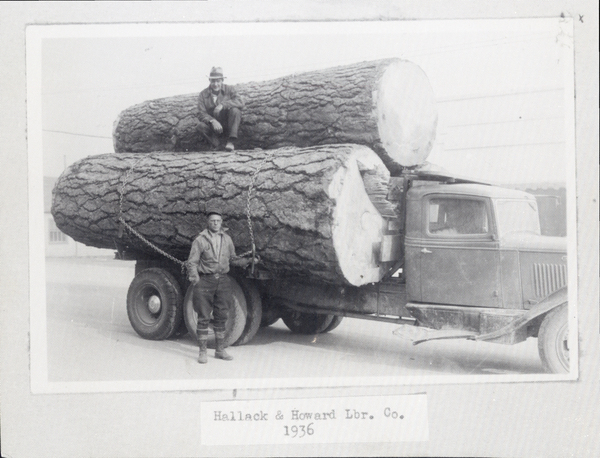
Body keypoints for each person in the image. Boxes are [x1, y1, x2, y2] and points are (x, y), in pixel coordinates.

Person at [186, 208, 255, 364]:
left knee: (222, 316)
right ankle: (202, 352)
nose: (215, 223)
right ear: (208, 223)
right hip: (205, 281)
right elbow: (192, 262)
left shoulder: (227, 239)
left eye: (218, 221)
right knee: (203, 317)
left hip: (223, 281)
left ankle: (220, 350)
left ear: (221, 222)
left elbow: (233, 259)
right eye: (212, 221)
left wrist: (247, 261)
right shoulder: (200, 240)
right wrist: (196, 279)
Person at [197, 67, 245, 152]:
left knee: (235, 110)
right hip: (214, 128)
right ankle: (218, 145)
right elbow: (201, 113)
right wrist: (212, 121)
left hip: (228, 125)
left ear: (222, 80)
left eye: (218, 81)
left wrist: (222, 105)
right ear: (209, 81)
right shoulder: (203, 94)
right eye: (213, 81)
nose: (215, 84)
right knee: (200, 126)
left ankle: (231, 142)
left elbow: (240, 102)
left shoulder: (230, 89)